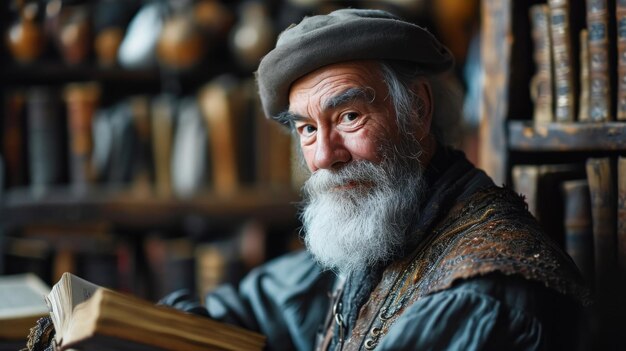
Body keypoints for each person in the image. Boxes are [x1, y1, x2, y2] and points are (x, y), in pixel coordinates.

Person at [161, 8, 591, 351]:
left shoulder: (481, 297)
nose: (325, 157)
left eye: (349, 117)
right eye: (307, 129)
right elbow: (254, 304)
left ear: (418, 110)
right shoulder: (385, 227)